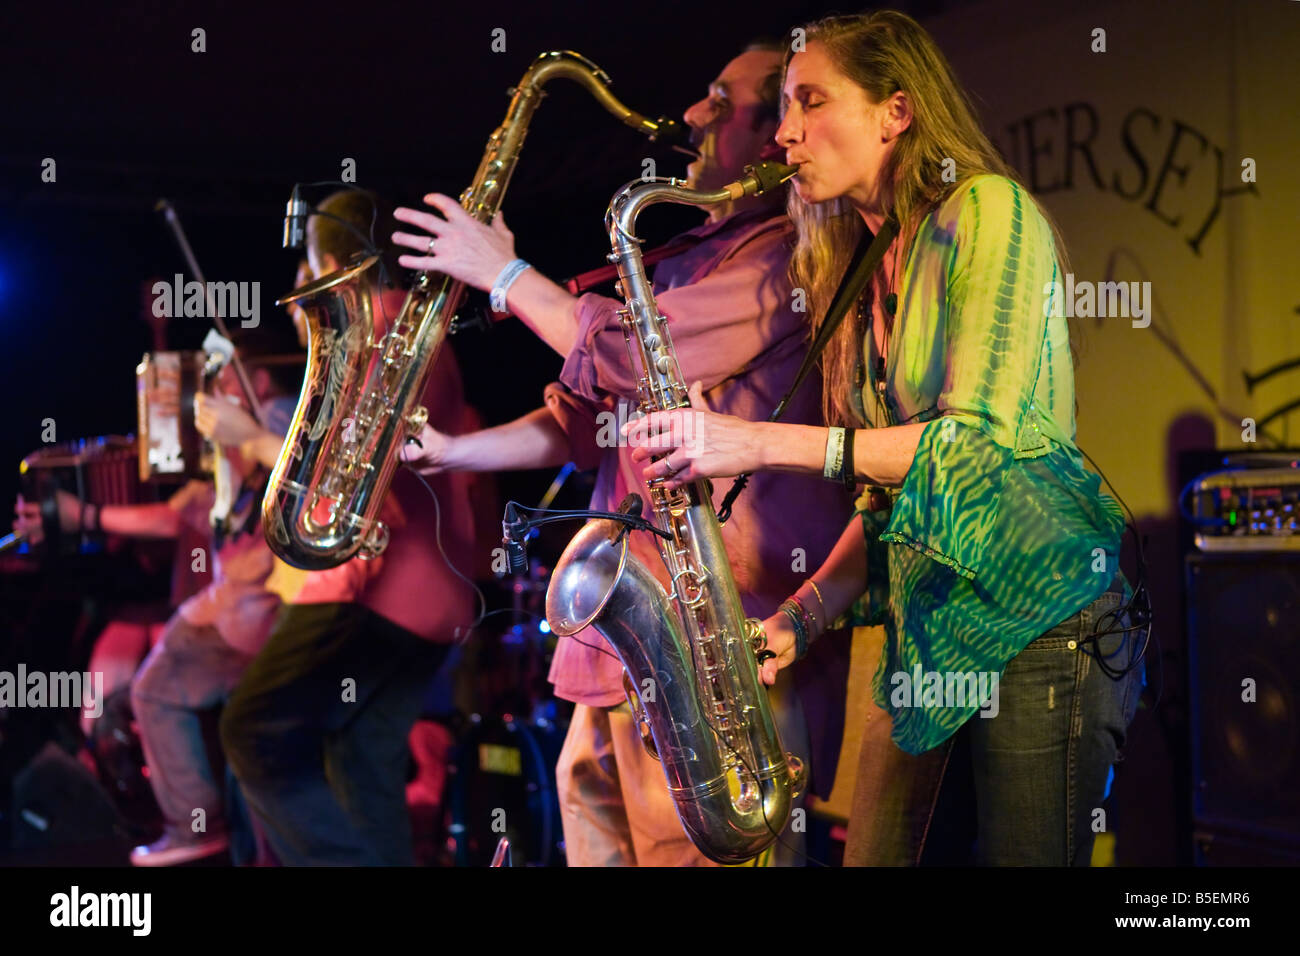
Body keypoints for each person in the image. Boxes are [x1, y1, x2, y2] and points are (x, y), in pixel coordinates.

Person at [623, 11, 1144, 866]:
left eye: (811, 101)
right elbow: (891, 502)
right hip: (929, 636)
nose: (785, 131)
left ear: (895, 111)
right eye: (784, 107)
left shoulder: (987, 210)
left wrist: (754, 443)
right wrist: (796, 619)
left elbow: (969, 452)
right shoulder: (862, 264)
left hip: (1043, 623)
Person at [393, 40, 856, 866]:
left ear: (777, 134)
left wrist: (504, 277)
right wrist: (454, 452)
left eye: (724, 99)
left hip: (718, 646)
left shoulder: (783, 255)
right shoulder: (690, 255)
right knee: (596, 831)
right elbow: (583, 420)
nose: (692, 116)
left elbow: (639, 357)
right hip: (634, 640)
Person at [219, 190, 485, 866]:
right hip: (436, 601)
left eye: (310, 268)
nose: (301, 287)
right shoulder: (417, 326)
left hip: (379, 588)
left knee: (252, 729)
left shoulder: (384, 330)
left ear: (337, 264)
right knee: (361, 759)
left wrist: (248, 437)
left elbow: (347, 473)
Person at [13, 338, 301, 866]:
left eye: (224, 378)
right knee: (238, 746)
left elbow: (188, 513)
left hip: (252, 611)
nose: (213, 390)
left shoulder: (277, 417)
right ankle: (230, 839)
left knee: (155, 690)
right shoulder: (245, 431)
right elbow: (185, 510)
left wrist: (87, 517)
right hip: (245, 614)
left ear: (256, 382)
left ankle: (195, 825)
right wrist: (85, 516)